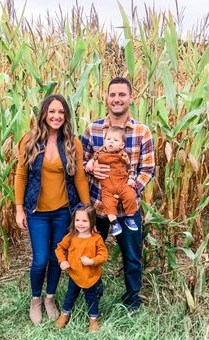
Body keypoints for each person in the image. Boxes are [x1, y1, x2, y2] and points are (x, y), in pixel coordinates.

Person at [14, 94, 90, 325]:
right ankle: (35, 299)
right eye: (52, 112)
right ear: (44, 114)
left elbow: (79, 178)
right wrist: (19, 209)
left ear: (66, 116)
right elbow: (21, 175)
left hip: (63, 212)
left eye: (61, 112)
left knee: (57, 258)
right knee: (39, 260)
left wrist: (87, 209)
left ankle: (50, 298)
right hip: (37, 212)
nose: (56, 116)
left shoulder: (72, 142)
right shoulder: (29, 140)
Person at [82, 77, 155, 311]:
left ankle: (132, 300)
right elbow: (80, 162)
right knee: (92, 251)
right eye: (112, 95)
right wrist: (89, 167)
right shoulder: (92, 129)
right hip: (97, 205)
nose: (117, 99)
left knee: (132, 257)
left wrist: (130, 189)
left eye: (122, 94)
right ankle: (93, 294)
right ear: (107, 98)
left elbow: (148, 168)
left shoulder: (142, 132)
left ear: (131, 98)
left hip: (128, 207)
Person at [55, 204, 108, 332]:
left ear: (92, 221)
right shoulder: (71, 236)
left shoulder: (96, 238)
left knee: (91, 298)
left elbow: (104, 255)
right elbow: (60, 247)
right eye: (77, 220)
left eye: (85, 220)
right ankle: (65, 314)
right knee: (70, 296)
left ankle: (94, 319)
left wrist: (92, 261)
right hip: (74, 274)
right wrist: (62, 261)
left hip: (90, 276)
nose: (80, 224)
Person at [85, 126, 138, 236]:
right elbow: (93, 158)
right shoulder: (100, 152)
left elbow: (129, 167)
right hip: (107, 187)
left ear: (122, 145)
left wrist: (132, 178)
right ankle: (114, 223)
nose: (111, 142)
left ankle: (130, 218)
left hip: (121, 184)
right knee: (108, 204)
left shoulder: (123, 155)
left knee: (130, 196)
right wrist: (90, 164)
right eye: (108, 139)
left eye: (115, 140)